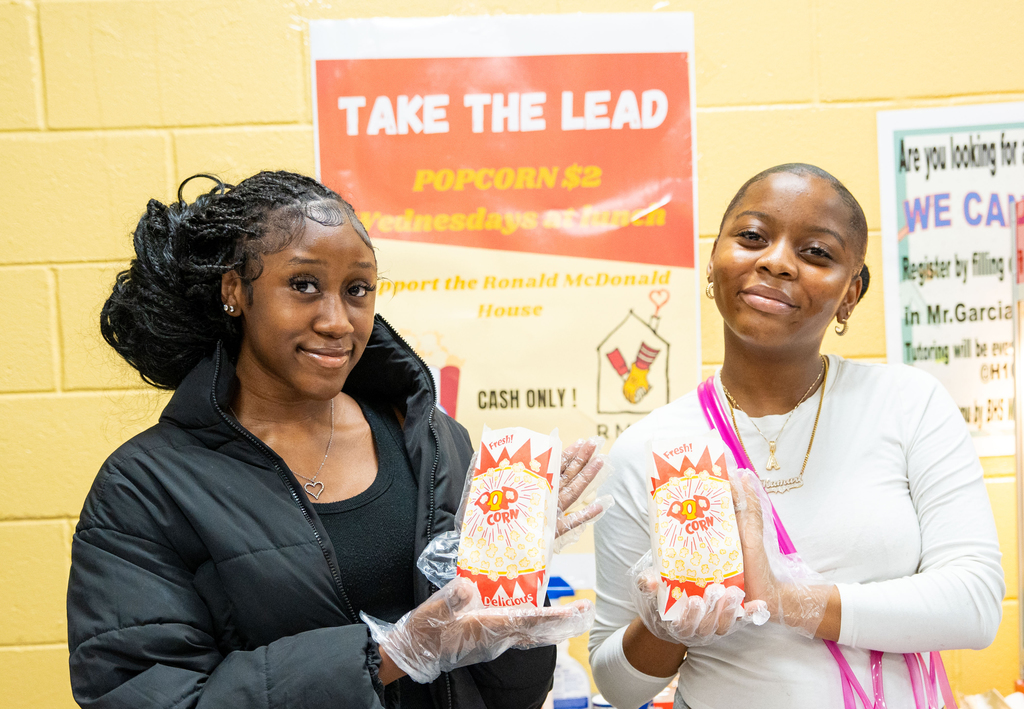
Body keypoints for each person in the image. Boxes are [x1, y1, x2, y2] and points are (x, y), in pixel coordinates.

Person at [67, 171, 598, 709]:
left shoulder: (433, 441)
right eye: (304, 285)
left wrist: (509, 577)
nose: (337, 321)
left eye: (358, 289)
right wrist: (392, 652)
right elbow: (144, 695)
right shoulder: (145, 486)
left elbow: (509, 696)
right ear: (235, 291)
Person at [588, 164, 1004, 709]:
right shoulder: (649, 449)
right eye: (752, 237)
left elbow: (973, 606)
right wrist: (668, 627)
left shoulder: (908, 403)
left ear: (851, 294)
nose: (777, 262)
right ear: (714, 262)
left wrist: (786, 602)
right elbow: (616, 686)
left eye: (817, 253)